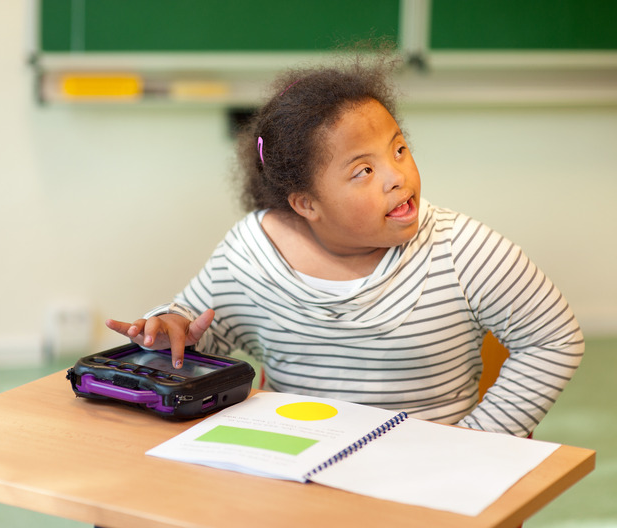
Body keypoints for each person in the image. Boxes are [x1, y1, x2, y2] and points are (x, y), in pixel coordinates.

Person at [106, 52, 584, 438]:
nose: (398, 177)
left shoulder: (464, 250)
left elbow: (554, 339)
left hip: (424, 484)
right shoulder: (252, 252)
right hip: (300, 470)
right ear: (307, 203)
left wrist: (480, 441)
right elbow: (196, 331)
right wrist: (172, 325)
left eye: (399, 149)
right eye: (364, 171)